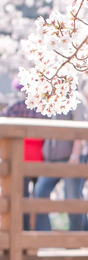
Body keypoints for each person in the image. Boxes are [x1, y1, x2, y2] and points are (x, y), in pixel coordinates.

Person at [33, 94, 88, 231]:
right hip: (52, 157)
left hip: (71, 157)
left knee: (72, 197)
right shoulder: (49, 97)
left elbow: (79, 129)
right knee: (40, 192)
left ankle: (77, 237)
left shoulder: (77, 99)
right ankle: (43, 234)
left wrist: (75, 155)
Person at [0, 82, 46, 230]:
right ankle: (40, 230)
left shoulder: (17, 106)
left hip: (22, 155)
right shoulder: (43, 108)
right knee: (39, 196)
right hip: (40, 156)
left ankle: (23, 229)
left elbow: (4, 118)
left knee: (22, 196)